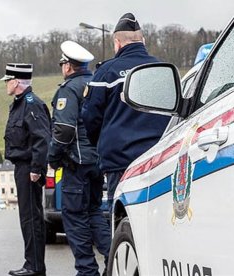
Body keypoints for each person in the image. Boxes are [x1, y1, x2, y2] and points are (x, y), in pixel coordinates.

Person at [81, 13, 171, 213]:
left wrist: (101, 143)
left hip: (119, 162)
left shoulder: (106, 72)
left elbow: (90, 119)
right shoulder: (162, 70)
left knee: (123, 219)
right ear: (143, 41)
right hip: (157, 159)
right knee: (157, 216)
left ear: (117, 44)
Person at [48, 41, 110, 276]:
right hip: (97, 160)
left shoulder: (69, 89)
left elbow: (63, 130)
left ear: (68, 66)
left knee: (74, 219)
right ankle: (113, 260)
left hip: (77, 162)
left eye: (62, 63)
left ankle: (87, 271)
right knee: (94, 213)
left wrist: (53, 158)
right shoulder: (95, 84)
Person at [1, 63, 50, 276]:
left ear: (16, 82)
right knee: (27, 217)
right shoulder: (19, 104)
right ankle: (32, 263)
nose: (6, 85)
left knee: (31, 218)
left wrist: (37, 168)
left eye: (8, 81)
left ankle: (35, 266)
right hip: (22, 167)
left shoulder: (32, 104)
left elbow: (42, 138)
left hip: (30, 168)